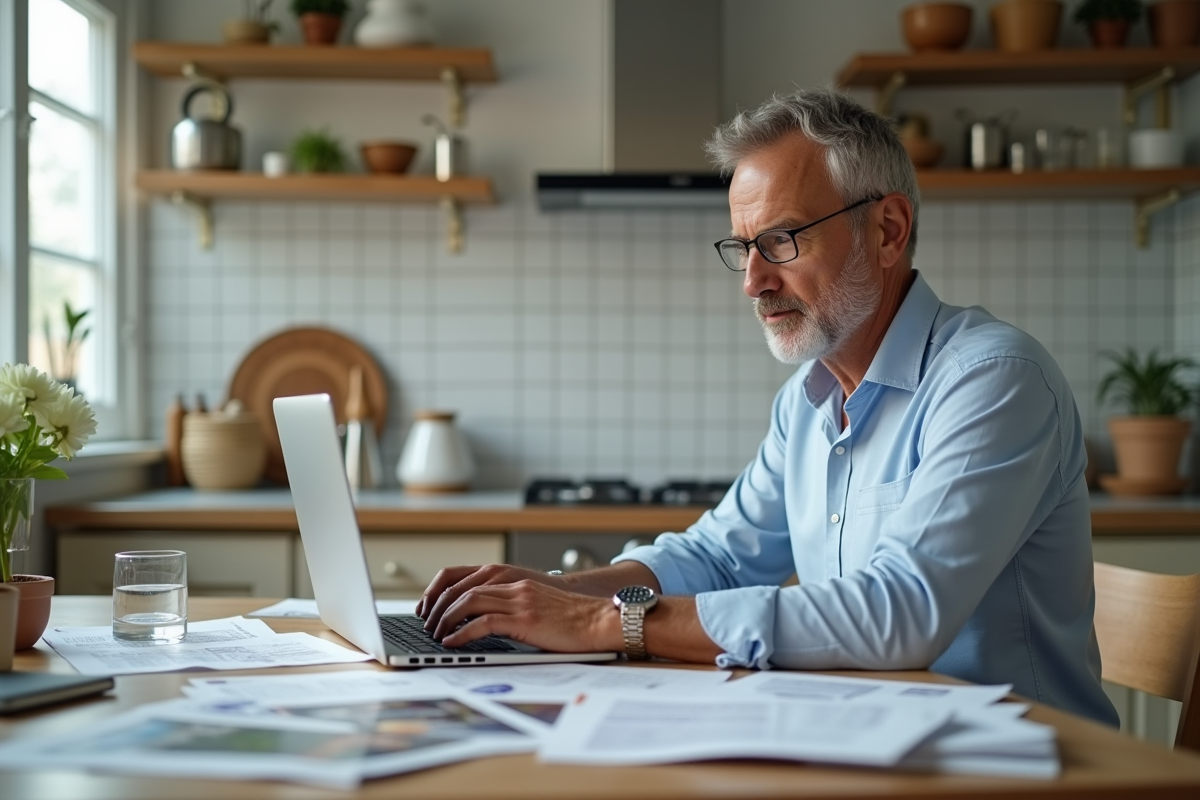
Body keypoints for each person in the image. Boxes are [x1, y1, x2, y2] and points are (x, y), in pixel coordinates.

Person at [417, 88, 1118, 726]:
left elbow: (900, 613)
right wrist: (548, 592)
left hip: (1018, 769)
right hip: (874, 741)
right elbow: (719, 557)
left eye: (782, 239)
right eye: (744, 248)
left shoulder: (994, 380)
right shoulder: (808, 401)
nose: (754, 282)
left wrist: (606, 623)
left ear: (887, 231)